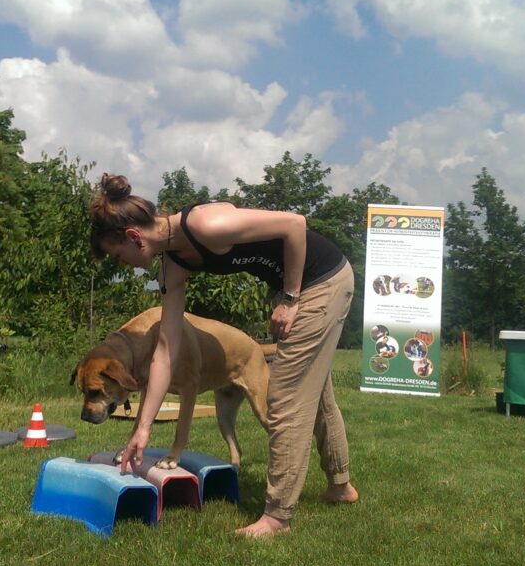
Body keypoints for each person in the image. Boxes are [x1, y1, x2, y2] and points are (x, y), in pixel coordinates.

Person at [88, 173, 359, 538]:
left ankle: (277, 517)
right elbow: (166, 351)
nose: (123, 264)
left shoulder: (205, 224)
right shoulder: (174, 264)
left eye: (118, 255)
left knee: (285, 399)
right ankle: (340, 486)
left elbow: (295, 225)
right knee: (316, 394)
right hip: (297, 288)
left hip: (323, 281)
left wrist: (291, 299)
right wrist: (144, 427)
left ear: (134, 237)